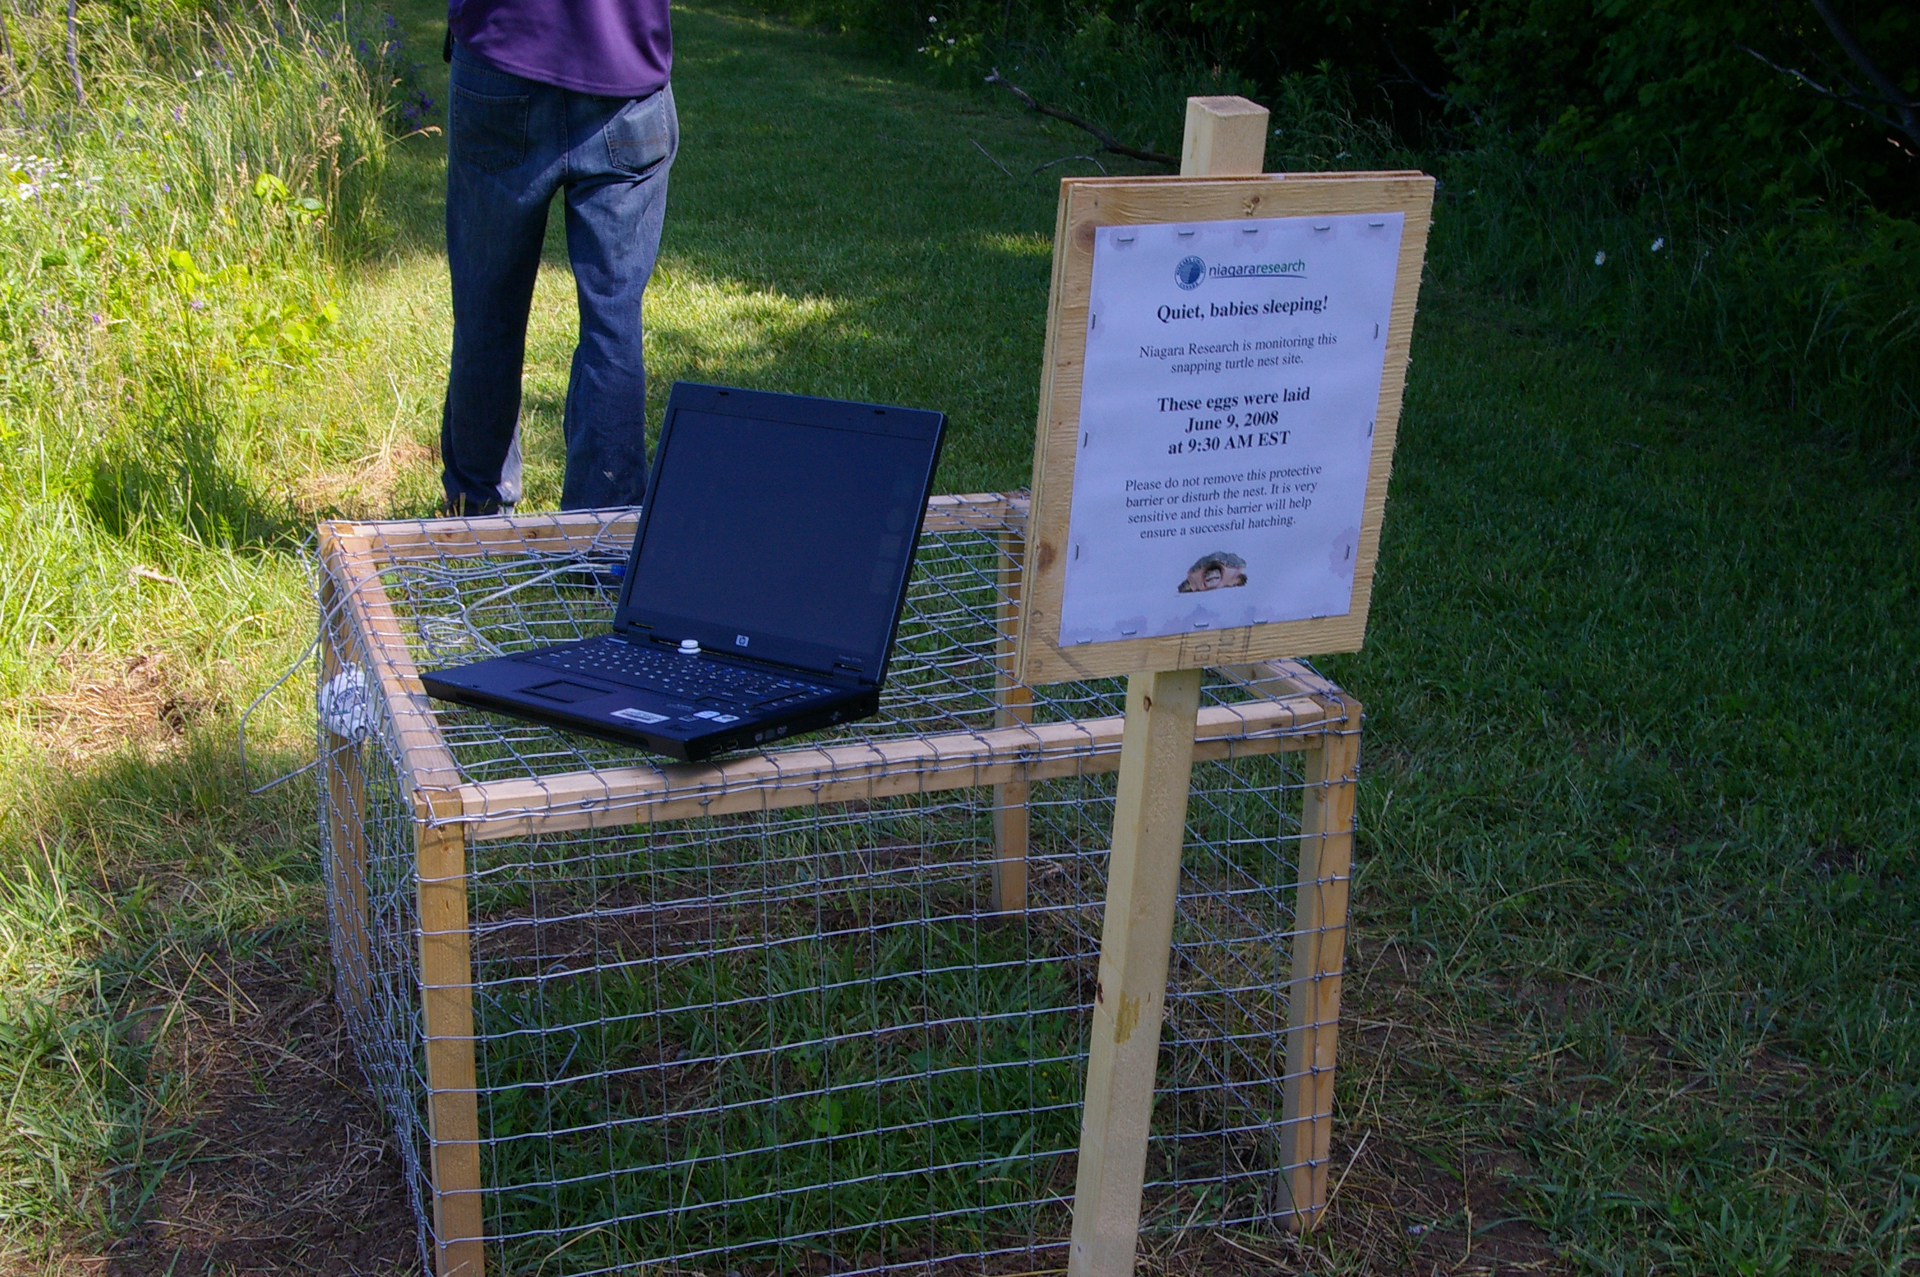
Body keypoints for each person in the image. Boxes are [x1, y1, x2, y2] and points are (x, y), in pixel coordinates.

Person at [438, 0, 677, 516]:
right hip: (625, 68)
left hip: (502, 51)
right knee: (612, 320)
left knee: (487, 306)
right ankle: (602, 526)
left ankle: (475, 512)